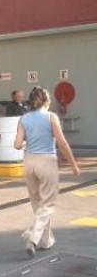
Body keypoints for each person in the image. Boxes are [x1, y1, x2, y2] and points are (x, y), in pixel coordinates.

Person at [14, 87, 81, 258]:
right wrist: (73, 165)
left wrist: (26, 142)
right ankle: (32, 236)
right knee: (48, 204)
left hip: (29, 162)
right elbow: (62, 143)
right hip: (47, 162)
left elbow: (17, 144)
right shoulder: (51, 117)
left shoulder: (24, 118)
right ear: (46, 100)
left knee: (38, 203)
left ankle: (45, 241)